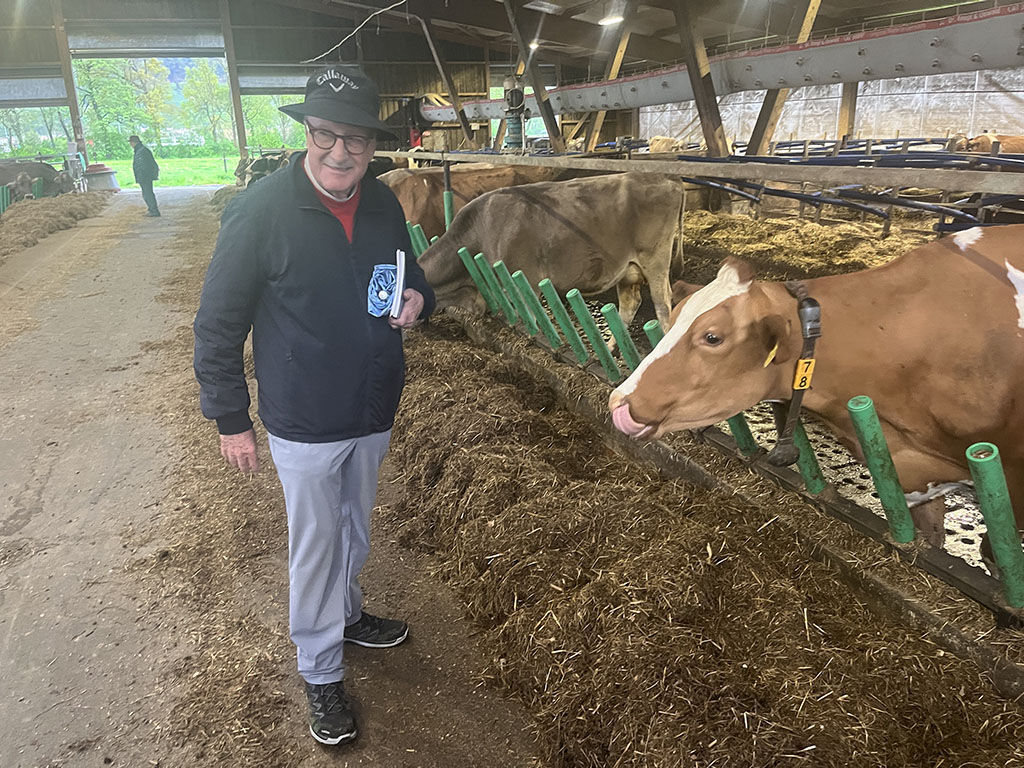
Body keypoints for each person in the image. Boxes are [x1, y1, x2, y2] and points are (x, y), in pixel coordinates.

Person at [192, 65, 435, 746]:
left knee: (355, 527)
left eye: (355, 139)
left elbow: (411, 274)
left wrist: (420, 299)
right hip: (304, 414)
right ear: (307, 132)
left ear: (372, 145)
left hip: (373, 403)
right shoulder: (261, 211)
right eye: (326, 134)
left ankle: (348, 615)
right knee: (317, 544)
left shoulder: (384, 203)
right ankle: (320, 669)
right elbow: (217, 323)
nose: (339, 152)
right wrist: (231, 418)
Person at [129, 135, 160, 216]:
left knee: (147, 193)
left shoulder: (140, 151)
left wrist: (141, 176)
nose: (130, 145)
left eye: (130, 143)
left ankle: (153, 211)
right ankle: (152, 209)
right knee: (148, 193)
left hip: (144, 176)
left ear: (133, 142)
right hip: (146, 175)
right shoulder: (142, 150)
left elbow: (142, 165)